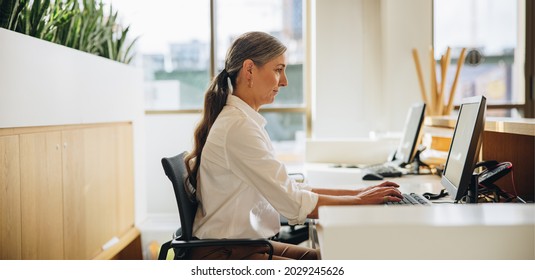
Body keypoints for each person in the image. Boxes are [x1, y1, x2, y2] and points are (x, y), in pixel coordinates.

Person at [184, 31, 403, 260]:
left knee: (328, 257)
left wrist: (359, 193)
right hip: (226, 255)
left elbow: (290, 190)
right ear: (249, 70)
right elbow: (294, 203)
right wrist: (359, 202)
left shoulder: (243, 121)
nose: (285, 81)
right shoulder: (238, 127)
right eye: (278, 70)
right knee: (335, 262)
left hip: (242, 246)